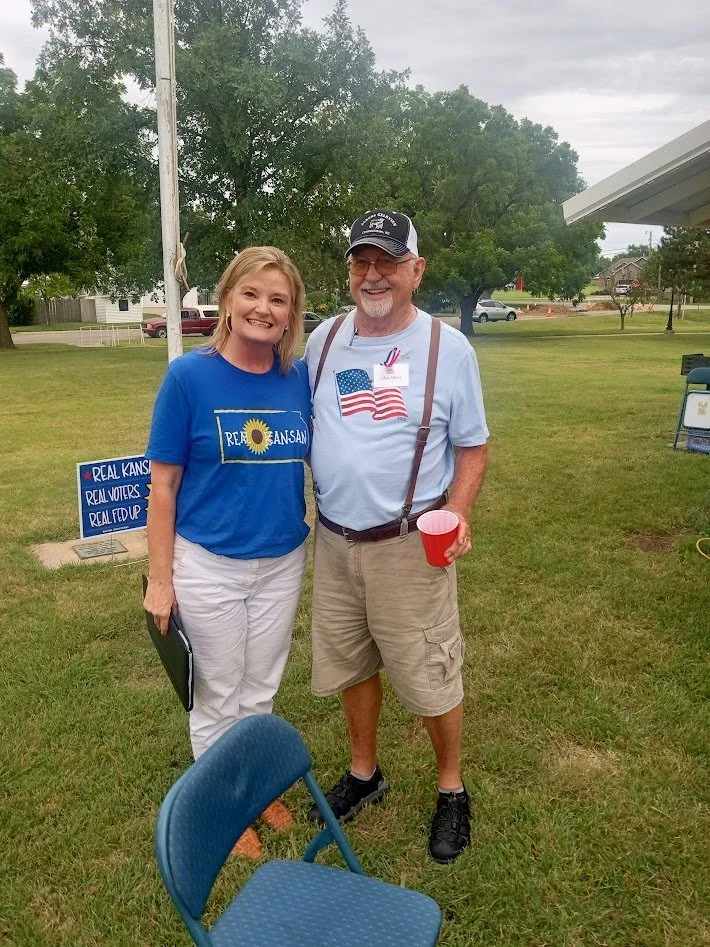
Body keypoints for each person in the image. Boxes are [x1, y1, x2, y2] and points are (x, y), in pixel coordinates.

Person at [303, 209, 489, 864]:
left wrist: (460, 510)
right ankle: (364, 772)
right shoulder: (322, 342)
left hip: (410, 543)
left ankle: (451, 786)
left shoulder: (448, 349)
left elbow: (472, 448)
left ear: (416, 269)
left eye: (388, 261)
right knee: (352, 662)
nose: (373, 274)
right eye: (362, 261)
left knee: (431, 673)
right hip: (333, 541)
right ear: (350, 270)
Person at [143, 247, 311, 858]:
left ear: (291, 314)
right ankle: (222, 802)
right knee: (216, 691)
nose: (263, 309)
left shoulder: (298, 379)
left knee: (260, 687)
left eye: (278, 299)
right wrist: (161, 582)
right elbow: (162, 487)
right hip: (209, 563)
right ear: (227, 299)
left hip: (282, 560)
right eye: (251, 294)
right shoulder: (189, 377)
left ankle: (257, 785)